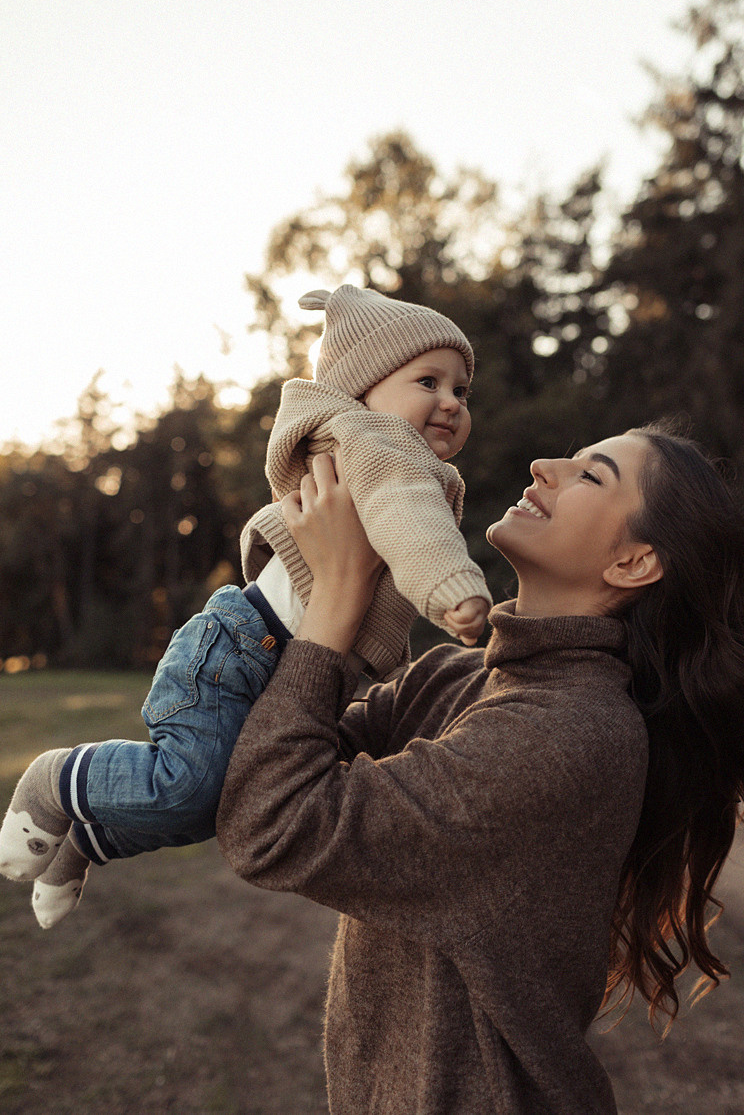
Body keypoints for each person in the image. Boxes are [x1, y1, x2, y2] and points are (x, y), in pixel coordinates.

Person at [215, 423, 744, 1115]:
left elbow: (272, 820)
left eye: (590, 476)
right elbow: (251, 753)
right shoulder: (458, 676)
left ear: (632, 563)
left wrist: (335, 597)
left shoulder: (566, 734)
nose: (543, 466)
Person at [0, 284, 491, 929]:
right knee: (186, 787)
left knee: (217, 803)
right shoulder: (378, 444)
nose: (451, 403)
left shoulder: (397, 455)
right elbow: (407, 516)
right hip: (244, 648)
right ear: (361, 386)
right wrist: (450, 584)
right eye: (429, 381)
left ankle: (89, 843)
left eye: (461, 391)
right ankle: (55, 780)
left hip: (279, 655)